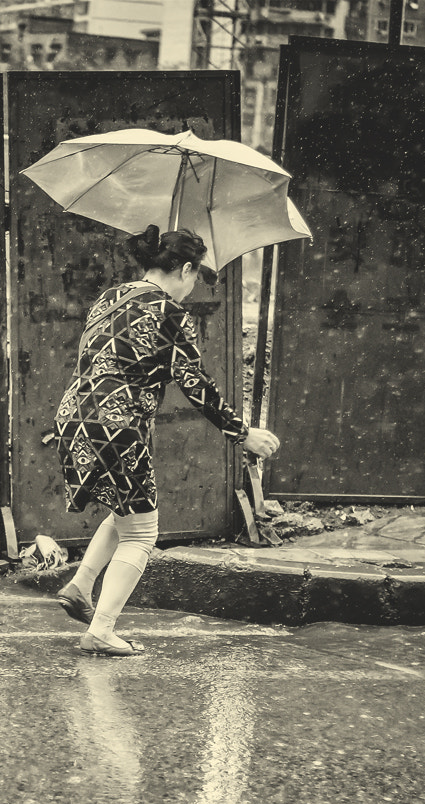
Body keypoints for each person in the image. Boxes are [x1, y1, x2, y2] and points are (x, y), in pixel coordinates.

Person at [52, 225, 280, 656]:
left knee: (128, 515)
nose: (193, 288)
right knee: (142, 532)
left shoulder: (111, 296)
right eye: (195, 277)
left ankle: (81, 585)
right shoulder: (171, 313)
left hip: (75, 416)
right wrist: (241, 433)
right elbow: (196, 384)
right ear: (187, 268)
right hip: (118, 424)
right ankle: (101, 630)